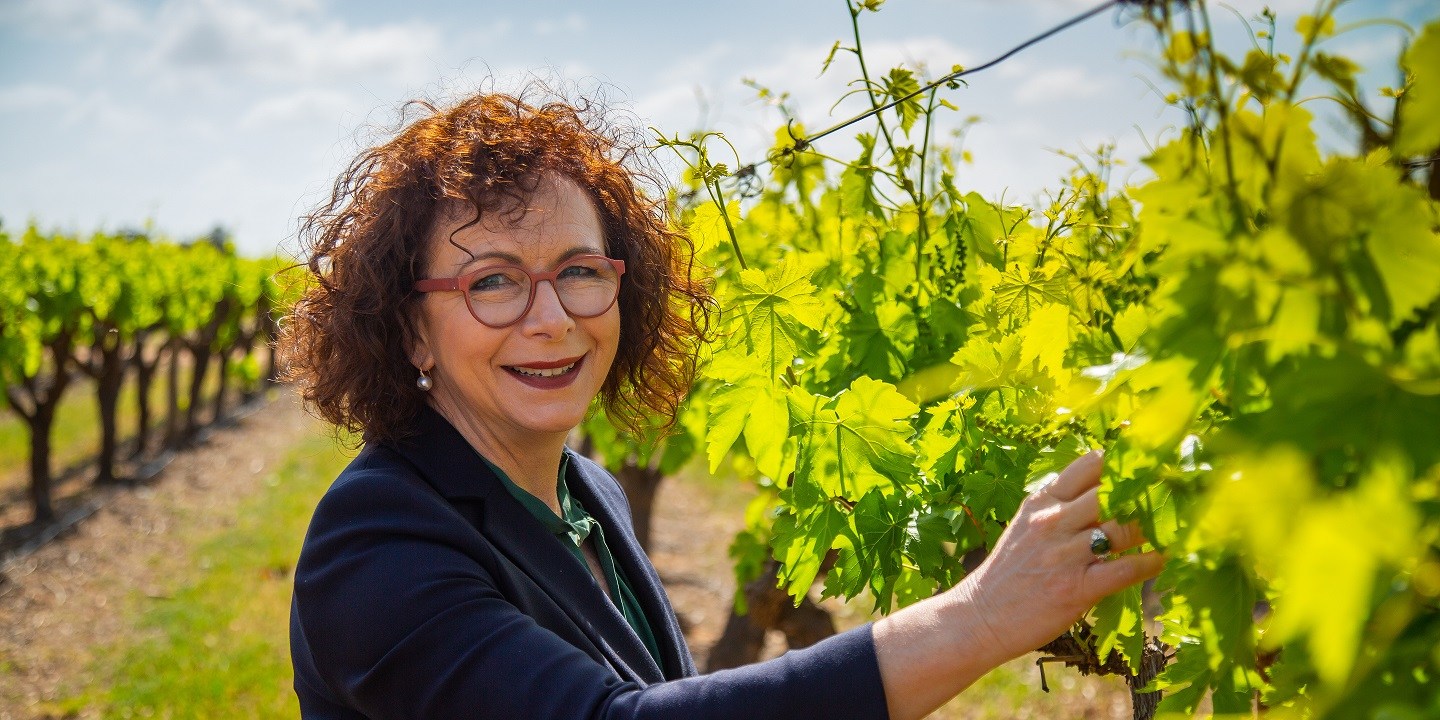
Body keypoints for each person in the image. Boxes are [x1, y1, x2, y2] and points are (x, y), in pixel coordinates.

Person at [282, 89, 1164, 720]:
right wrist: (978, 618)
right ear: (412, 330)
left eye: (580, 271)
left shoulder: (590, 494)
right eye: (492, 282)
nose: (551, 319)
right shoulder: (376, 546)